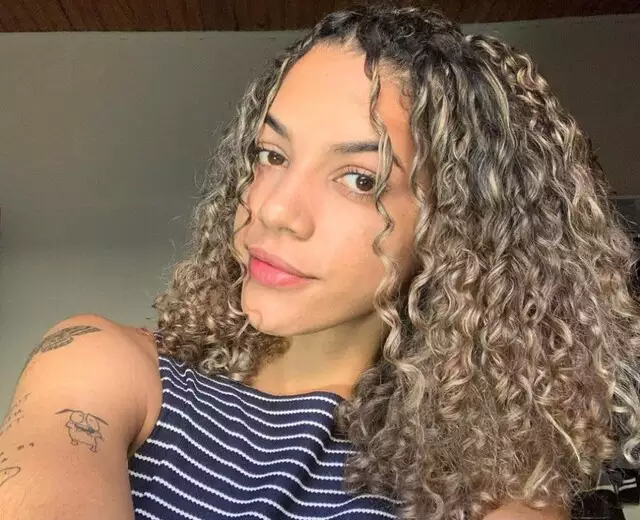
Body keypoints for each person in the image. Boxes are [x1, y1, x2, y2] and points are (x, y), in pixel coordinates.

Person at [1, 4, 639, 520]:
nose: (275, 209)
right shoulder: (105, 367)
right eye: (272, 155)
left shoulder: (493, 491)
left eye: (360, 179)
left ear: (456, 228)